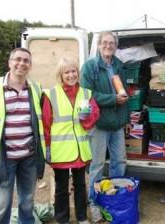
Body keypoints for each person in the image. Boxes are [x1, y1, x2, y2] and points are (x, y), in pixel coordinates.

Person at [0, 48, 45, 224]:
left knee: (27, 201)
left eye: (26, 61)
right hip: (4, 157)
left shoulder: (35, 88)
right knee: (1, 202)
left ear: (30, 65)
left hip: (29, 156)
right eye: (17, 59)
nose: (21, 64)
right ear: (9, 62)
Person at [42, 57, 100, 224]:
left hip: (80, 150)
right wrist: (46, 146)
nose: (71, 75)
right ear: (61, 74)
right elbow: (46, 123)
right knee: (61, 188)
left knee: (80, 185)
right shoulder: (51, 94)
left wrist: (87, 118)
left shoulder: (86, 93)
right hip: (60, 151)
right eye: (66, 72)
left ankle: (82, 217)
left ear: (78, 73)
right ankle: (62, 219)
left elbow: (94, 115)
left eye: (73, 71)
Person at [80, 31, 130, 223]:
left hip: (117, 124)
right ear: (99, 45)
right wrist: (113, 99)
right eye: (105, 42)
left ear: (115, 46)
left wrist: (125, 117)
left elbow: (124, 92)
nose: (108, 46)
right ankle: (94, 203)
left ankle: (112, 197)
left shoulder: (118, 65)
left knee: (120, 161)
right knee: (97, 165)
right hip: (99, 124)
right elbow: (87, 96)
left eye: (112, 43)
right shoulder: (90, 67)